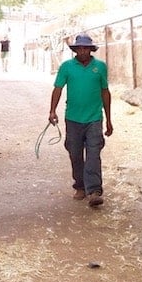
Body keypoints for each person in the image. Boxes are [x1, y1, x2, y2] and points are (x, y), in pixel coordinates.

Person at [48, 33, 113, 207]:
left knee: (93, 154)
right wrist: (52, 110)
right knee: (75, 153)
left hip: (94, 118)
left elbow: (105, 92)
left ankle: (94, 191)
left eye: (86, 48)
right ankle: (80, 186)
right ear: (75, 50)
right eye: (79, 48)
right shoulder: (67, 67)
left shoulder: (100, 67)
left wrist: (109, 119)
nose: (83, 51)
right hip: (73, 118)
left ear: (91, 49)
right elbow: (58, 89)